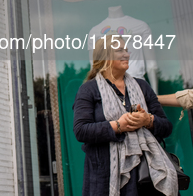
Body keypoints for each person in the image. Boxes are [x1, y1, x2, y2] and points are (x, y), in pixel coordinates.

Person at [73, 35, 177, 195]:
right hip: (105, 176)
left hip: (147, 175)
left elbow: (166, 127)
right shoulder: (88, 90)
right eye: (120, 50)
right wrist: (118, 125)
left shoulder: (142, 86)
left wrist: (147, 120)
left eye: (127, 50)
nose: (126, 54)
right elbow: (81, 130)